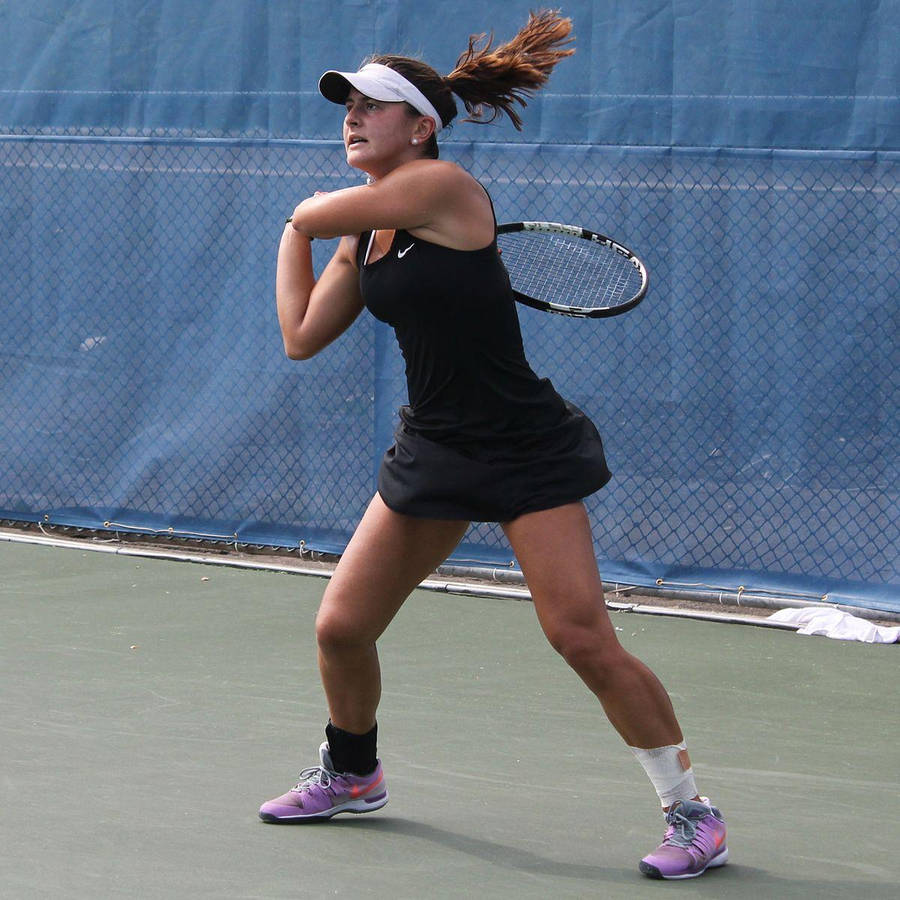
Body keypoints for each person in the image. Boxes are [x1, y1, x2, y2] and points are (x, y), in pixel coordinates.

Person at [261, 10, 728, 881]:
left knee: (580, 635)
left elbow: (314, 212)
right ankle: (354, 775)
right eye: (346, 107)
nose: (352, 118)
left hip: (522, 448)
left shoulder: (440, 188)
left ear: (421, 126)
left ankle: (692, 812)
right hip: (436, 445)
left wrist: (305, 218)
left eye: (372, 106)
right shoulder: (363, 227)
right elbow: (300, 335)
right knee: (341, 628)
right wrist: (300, 235)